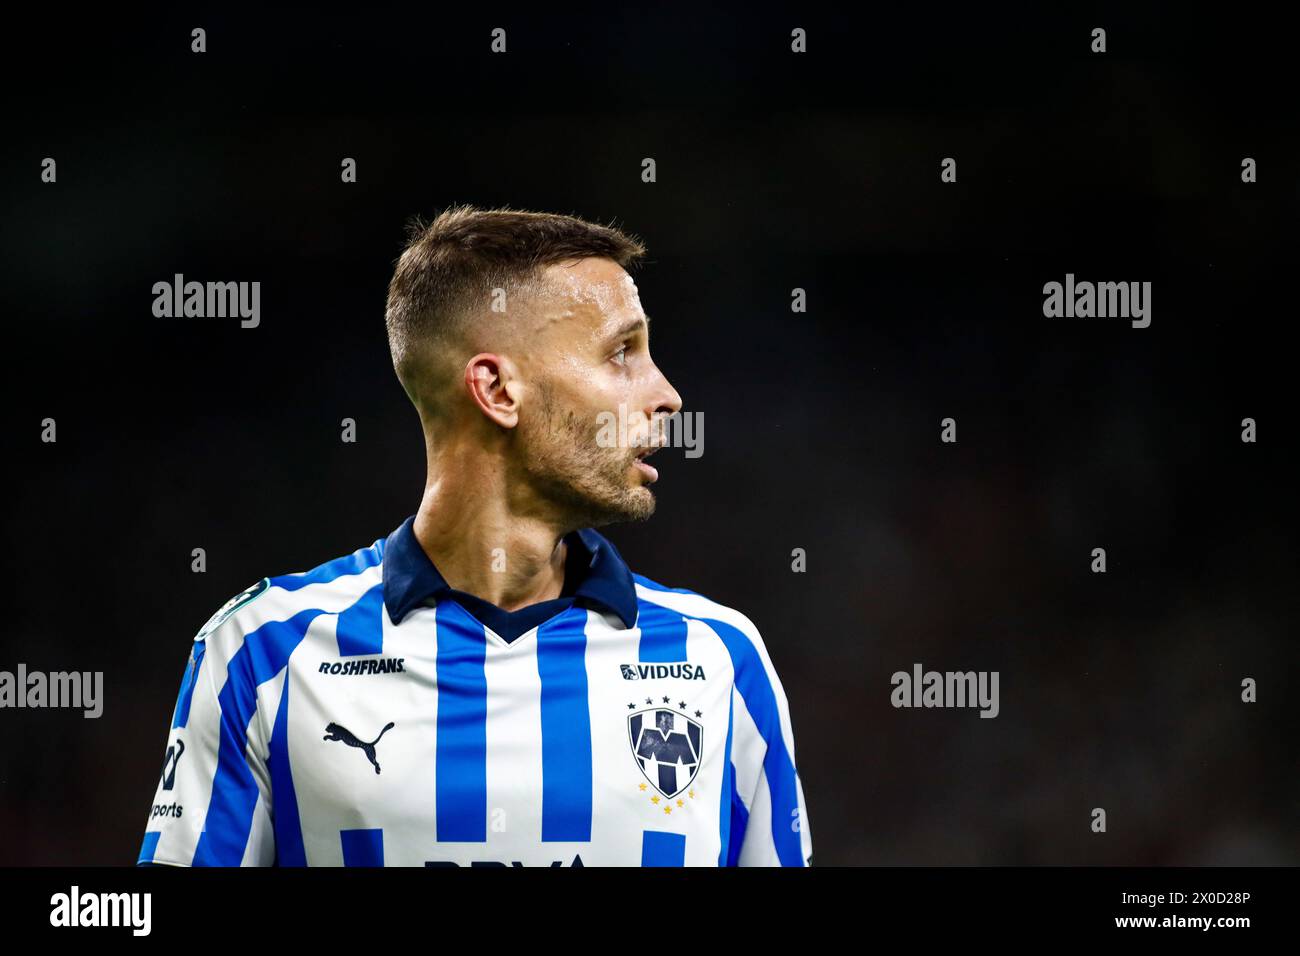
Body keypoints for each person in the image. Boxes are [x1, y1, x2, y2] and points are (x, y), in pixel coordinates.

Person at [136, 204, 812, 866]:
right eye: (621, 353)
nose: (666, 394)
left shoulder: (719, 660)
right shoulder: (263, 656)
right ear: (496, 390)